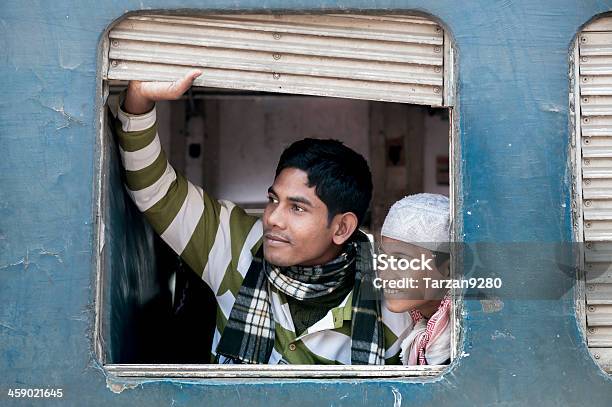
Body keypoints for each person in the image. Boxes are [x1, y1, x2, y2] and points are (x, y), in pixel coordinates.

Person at [115, 70, 413, 365]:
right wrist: (139, 100)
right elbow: (156, 191)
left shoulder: (393, 288)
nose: (272, 218)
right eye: (273, 200)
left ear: (342, 227)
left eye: (297, 208)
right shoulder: (234, 242)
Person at [379, 193, 452, 365]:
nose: (384, 275)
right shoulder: (407, 326)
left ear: (447, 269)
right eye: (383, 258)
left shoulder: (471, 338)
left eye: (401, 261)